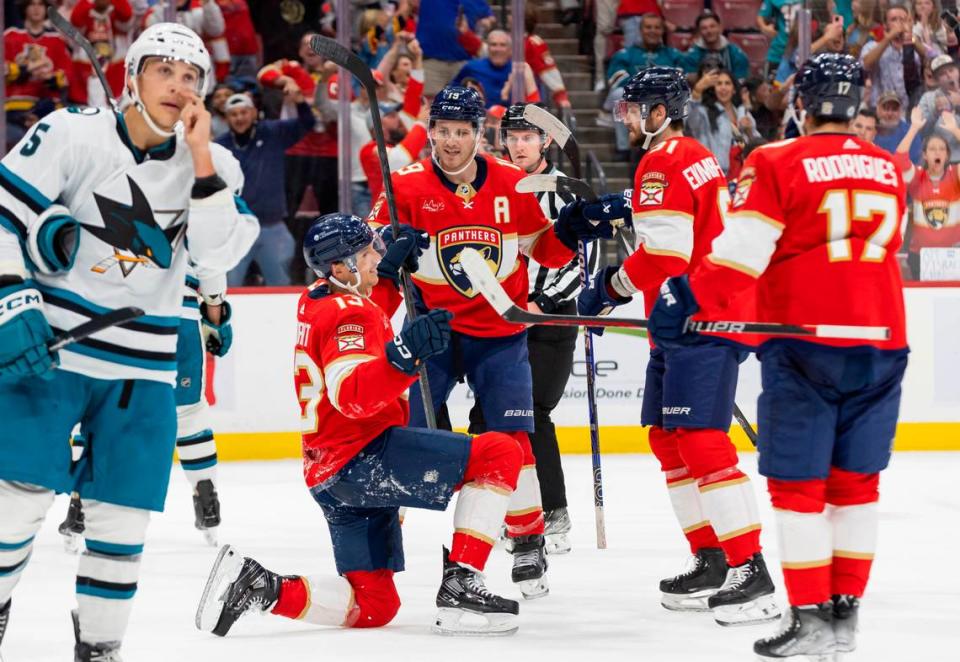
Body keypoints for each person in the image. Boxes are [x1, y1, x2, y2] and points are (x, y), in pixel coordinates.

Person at [0, 22, 258, 661]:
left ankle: (101, 648)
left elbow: (216, 249)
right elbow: (5, 216)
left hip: (142, 370)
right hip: (53, 352)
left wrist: (199, 160)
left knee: (121, 524)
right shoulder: (70, 132)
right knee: (15, 510)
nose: (178, 85)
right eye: (164, 70)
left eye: (191, 76)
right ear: (132, 77)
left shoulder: (217, 165)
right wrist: (12, 296)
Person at [648, 53, 908, 660]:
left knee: (799, 490)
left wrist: (682, 296)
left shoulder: (777, 160)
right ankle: (844, 623)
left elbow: (741, 253)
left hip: (803, 345)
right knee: (856, 488)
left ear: (803, 103)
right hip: (882, 340)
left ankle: (813, 618)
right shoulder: (891, 166)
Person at [196, 213, 528, 636]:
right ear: (340, 267)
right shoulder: (350, 314)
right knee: (500, 452)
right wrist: (403, 357)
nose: (378, 256)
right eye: (369, 252)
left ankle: (262, 587)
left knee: (375, 606)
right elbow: (351, 394)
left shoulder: (315, 297)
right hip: (364, 458)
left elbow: (359, 321)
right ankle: (462, 583)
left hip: (328, 474)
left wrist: (385, 277)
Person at [369, 86, 617, 598]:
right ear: (431, 130)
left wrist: (571, 231)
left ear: (479, 134)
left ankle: (527, 543)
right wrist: (388, 260)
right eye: (443, 131)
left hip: (500, 334)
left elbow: (544, 253)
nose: (452, 141)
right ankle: (380, 532)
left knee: (513, 441)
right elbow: (374, 267)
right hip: (432, 332)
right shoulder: (405, 187)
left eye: (463, 131)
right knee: (411, 436)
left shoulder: (513, 183)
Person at [576, 67, 778, 627]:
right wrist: (625, 208)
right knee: (668, 438)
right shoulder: (689, 153)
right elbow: (680, 227)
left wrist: (608, 289)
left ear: (661, 110)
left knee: (700, 438)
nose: (629, 117)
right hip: (685, 317)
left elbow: (666, 254)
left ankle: (751, 568)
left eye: (636, 107)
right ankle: (712, 557)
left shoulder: (661, 161)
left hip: (701, 318)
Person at [485, 103, 582, 554]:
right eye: (513, 137)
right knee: (495, 417)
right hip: (505, 324)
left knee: (531, 414)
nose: (519, 145)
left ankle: (552, 513)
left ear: (545, 141)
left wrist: (538, 303)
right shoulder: (499, 186)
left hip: (548, 322)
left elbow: (582, 261)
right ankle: (518, 510)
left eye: (528, 137)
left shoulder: (562, 192)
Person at [216, 90, 314, 286]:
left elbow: (307, 123)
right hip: (235, 229)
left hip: (272, 226)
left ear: (253, 113)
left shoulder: (271, 133)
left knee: (281, 284)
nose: (239, 118)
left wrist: (301, 102)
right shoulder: (219, 147)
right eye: (233, 114)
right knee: (227, 286)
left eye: (243, 112)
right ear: (226, 118)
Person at [895, 105, 960, 276]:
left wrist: (954, 129)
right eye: (932, 149)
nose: (937, 152)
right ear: (925, 155)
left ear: (947, 155)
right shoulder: (917, 176)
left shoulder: (956, 175)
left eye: (941, 149)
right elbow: (899, 160)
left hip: (953, 256)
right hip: (919, 255)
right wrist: (914, 128)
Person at [4, 0, 73, 147]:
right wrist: (23, 70)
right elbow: (4, 69)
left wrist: (53, 78)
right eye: (32, 4)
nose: (36, 8)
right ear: (25, 7)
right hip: (16, 106)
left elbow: (67, 74)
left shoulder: (56, 40)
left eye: (40, 4)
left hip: (47, 106)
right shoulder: (10, 36)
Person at [687, 67, 761, 176]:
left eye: (727, 83)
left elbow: (756, 146)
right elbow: (691, 122)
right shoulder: (704, 113)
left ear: (734, 89)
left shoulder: (743, 113)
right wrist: (697, 91)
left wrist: (749, 130)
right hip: (717, 175)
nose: (723, 88)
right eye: (719, 84)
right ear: (714, 89)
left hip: (743, 174)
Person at [681, 10, 751, 84]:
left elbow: (741, 82)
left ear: (720, 28)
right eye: (704, 28)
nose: (709, 31)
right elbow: (688, 85)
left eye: (712, 26)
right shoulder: (691, 56)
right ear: (699, 31)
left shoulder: (736, 53)